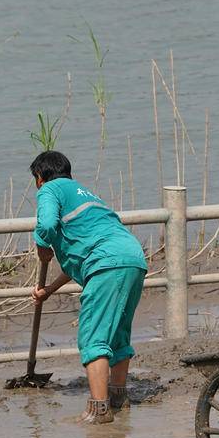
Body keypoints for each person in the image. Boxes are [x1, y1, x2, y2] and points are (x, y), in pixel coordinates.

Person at [29, 151, 147, 424]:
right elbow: (80, 262)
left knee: (93, 338)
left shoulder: (49, 190)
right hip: (132, 259)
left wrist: (42, 244)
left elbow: (45, 224)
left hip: (106, 263)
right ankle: (118, 399)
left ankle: (99, 410)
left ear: (39, 178)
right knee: (117, 333)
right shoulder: (86, 194)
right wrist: (48, 290)